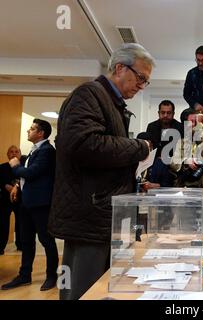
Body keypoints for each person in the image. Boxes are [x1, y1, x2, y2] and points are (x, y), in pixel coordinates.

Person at [48, 43, 154, 300]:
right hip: (90, 216)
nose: (141, 86)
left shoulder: (113, 104)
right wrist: (139, 147)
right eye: (140, 78)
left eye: (146, 82)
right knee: (84, 292)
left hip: (105, 216)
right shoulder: (88, 94)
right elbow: (84, 145)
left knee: (103, 290)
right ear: (119, 68)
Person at [1, 119, 58, 291]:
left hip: (40, 204)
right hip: (26, 202)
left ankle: (51, 276)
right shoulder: (33, 151)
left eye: (32, 129)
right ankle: (24, 275)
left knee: (46, 240)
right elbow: (27, 177)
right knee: (26, 241)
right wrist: (18, 185)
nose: (28, 131)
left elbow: (31, 173)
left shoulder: (47, 151)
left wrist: (15, 165)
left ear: (40, 133)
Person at [171, 109, 203, 233]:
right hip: (186, 192)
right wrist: (185, 161)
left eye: (195, 121)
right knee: (186, 232)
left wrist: (201, 130)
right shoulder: (181, 142)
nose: (193, 124)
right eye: (190, 121)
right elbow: (173, 162)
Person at [145, 99, 183, 188]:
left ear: (173, 114)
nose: (165, 115)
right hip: (155, 164)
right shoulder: (151, 126)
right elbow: (150, 147)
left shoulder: (180, 127)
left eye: (168, 113)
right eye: (163, 112)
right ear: (159, 113)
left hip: (173, 165)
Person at [0, 145, 25, 254]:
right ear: (7, 154)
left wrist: (16, 188)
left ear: (20, 154)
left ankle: (20, 245)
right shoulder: (2, 167)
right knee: (2, 224)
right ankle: (0, 247)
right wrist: (5, 185)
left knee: (21, 223)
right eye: (11, 152)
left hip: (21, 199)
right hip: (4, 200)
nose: (14, 153)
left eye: (16, 152)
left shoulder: (23, 168)